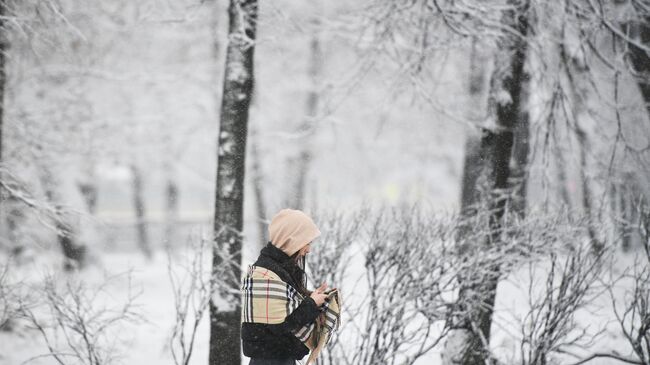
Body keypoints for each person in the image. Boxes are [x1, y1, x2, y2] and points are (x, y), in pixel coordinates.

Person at [241, 209, 330, 365]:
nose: (308, 249)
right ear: (291, 240)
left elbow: (283, 318)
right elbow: (280, 327)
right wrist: (311, 304)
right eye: (307, 242)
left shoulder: (280, 269)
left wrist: (311, 299)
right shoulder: (266, 275)